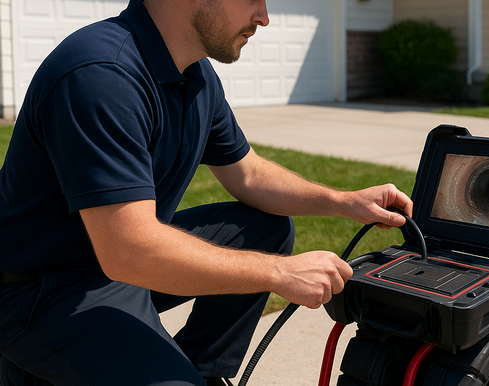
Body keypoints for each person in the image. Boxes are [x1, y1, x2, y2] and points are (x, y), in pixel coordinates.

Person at [0, 0, 413, 385]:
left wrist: (344, 202)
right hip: (44, 290)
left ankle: (200, 370)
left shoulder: (195, 76)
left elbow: (249, 175)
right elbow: (128, 250)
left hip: (117, 262)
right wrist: (280, 273)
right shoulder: (100, 73)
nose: (264, 16)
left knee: (265, 228)